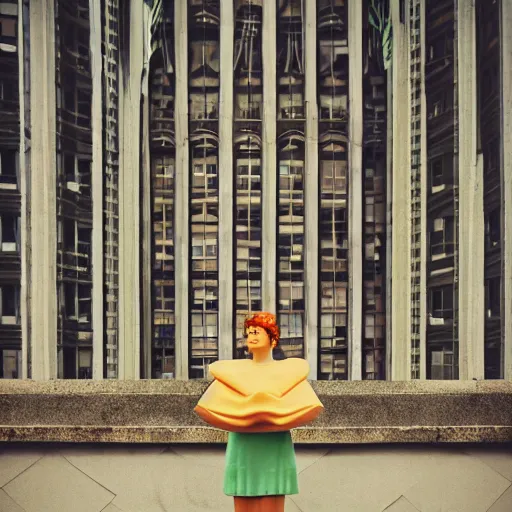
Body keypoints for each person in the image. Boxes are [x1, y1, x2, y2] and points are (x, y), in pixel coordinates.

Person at [195, 312, 323, 512]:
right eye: (248, 333)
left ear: (272, 338)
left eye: (256, 332)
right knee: (243, 497)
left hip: (274, 446)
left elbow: (311, 407)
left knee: (272, 498)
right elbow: (205, 408)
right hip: (243, 446)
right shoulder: (232, 372)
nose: (251, 337)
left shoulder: (289, 372)